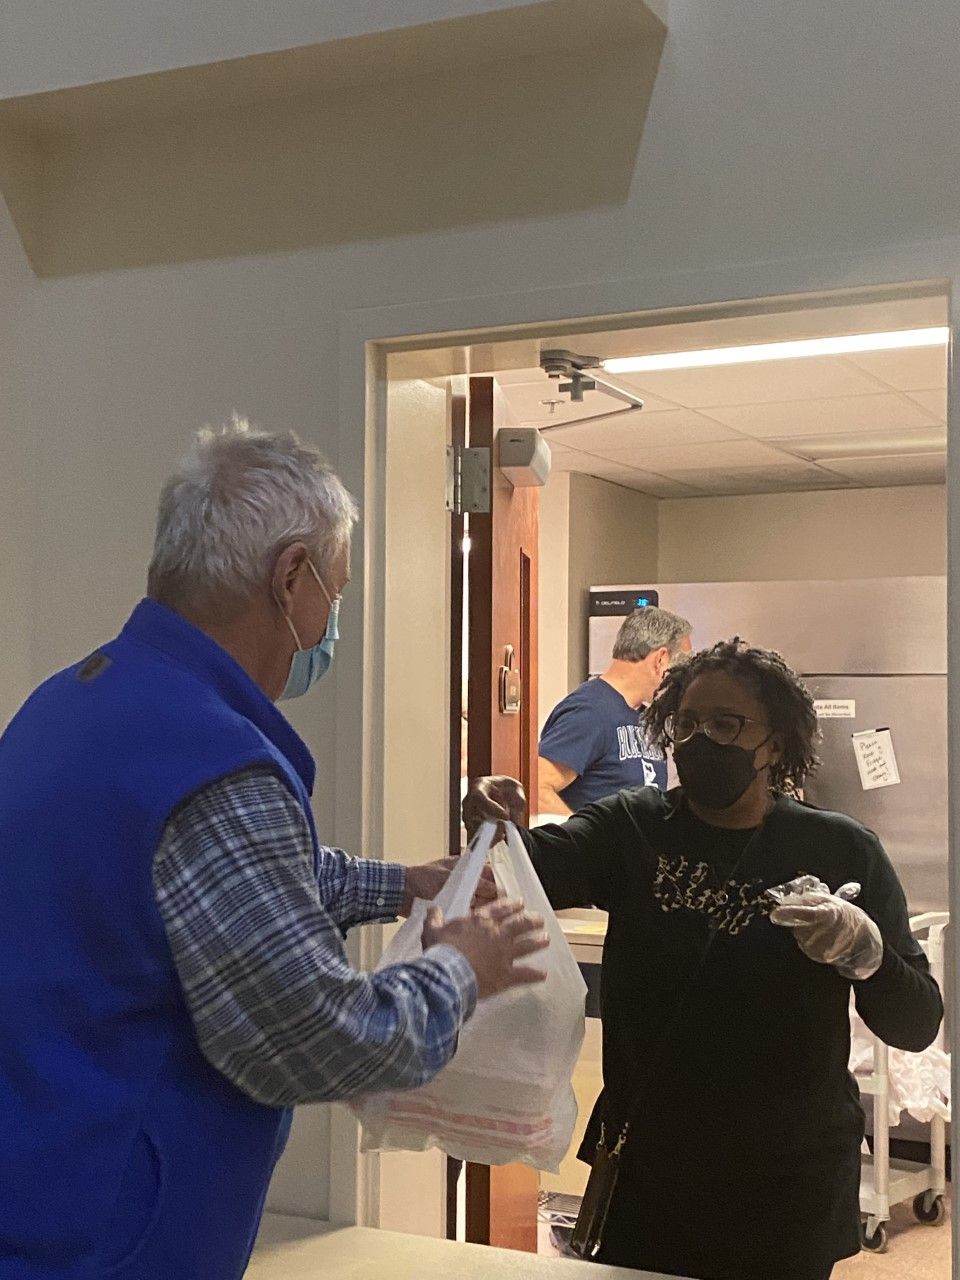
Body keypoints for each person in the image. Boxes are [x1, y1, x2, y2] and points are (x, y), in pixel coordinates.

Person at [0, 419, 549, 1280]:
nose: (332, 620)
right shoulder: (213, 760)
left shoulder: (69, 703)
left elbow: (187, 889)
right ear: (290, 577)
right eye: (336, 590)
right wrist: (459, 969)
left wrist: (402, 883)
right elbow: (314, 1039)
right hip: (109, 1236)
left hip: (35, 1176)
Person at [465, 638, 943, 1280]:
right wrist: (492, 824)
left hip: (788, 1176)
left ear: (775, 744)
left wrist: (867, 955)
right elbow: (525, 873)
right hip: (651, 1163)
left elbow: (917, 1022)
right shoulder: (632, 828)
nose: (700, 741)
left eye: (725, 724)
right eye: (687, 723)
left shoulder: (839, 849)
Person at [537, 606, 692, 818]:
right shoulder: (589, 711)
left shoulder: (646, 716)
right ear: (661, 659)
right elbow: (537, 789)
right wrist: (586, 836)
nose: (684, 679)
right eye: (683, 666)